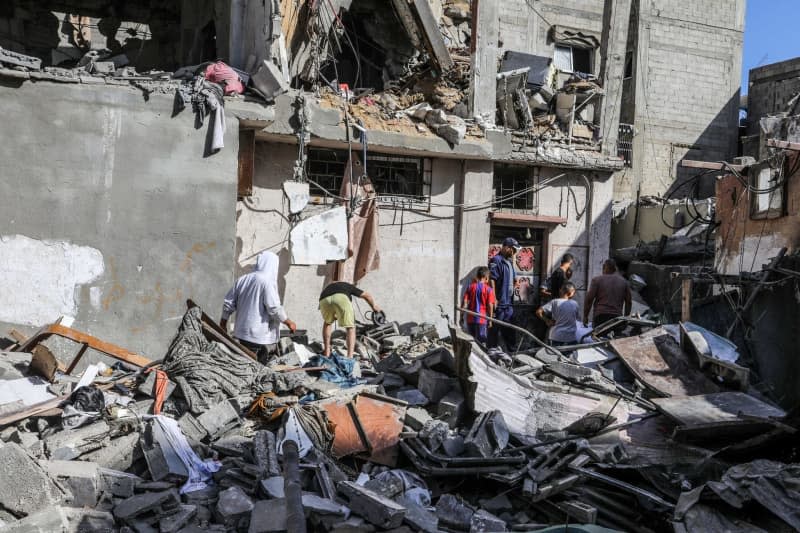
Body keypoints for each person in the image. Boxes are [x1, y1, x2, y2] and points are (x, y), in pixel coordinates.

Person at [220, 251, 297, 362]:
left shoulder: (243, 279)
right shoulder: (266, 282)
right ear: (272, 265)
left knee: (242, 363)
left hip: (241, 333)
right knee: (255, 366)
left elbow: (228, 303)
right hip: (257, 336)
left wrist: (223, 322)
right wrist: (288, 322)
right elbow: (274, 308)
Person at [319, 281, 381, 358]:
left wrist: (336, 313)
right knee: (351, 327)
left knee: (327, 323)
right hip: (341, 298)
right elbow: (367, 295)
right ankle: (350, 356)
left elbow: (332, 301)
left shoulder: (330, 286)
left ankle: (327, 352)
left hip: (324, 300)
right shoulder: (347, 286)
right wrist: (374, 307)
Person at [488, 237, 520, 349]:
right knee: (494, 329)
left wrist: (515, 281)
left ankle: (512, 352)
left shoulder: (509, 262)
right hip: (500, 303)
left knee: (510, 329)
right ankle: (491, 351)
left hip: (509, 303)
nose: (514, 252)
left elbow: (514, 277)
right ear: (507, 247)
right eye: (513, 250)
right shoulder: (496, 260)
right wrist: (494, 298)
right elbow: (492, 279)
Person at [583, 259, 632, 329]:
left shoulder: (596, 280)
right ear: (615, 269)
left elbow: (589, 299)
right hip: (616, 317)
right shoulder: (624, 282)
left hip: (600, 316)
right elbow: (628, 302)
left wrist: (585, 317)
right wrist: (626, 318)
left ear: (604, 267)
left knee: (597, 337)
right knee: (615, 338)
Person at [536, 282, 579, 346]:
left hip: (556, 336)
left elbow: (538, 312)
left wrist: (547, 320)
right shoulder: (575, 304)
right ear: (570, 293)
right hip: (570, 337)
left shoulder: (554, 302)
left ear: (560, 291)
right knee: (569, 355)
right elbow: (576, 318)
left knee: (555, 355)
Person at [462, 266, 496, 345]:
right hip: (482, 319)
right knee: (482, 343)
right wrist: (490, 320)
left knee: (472, 343)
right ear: (486, 278)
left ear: (477, 276)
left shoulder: (470, 287)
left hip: (470, 319)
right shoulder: (488, 290)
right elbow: (490, 306)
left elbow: (465, 302)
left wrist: (461, 316)